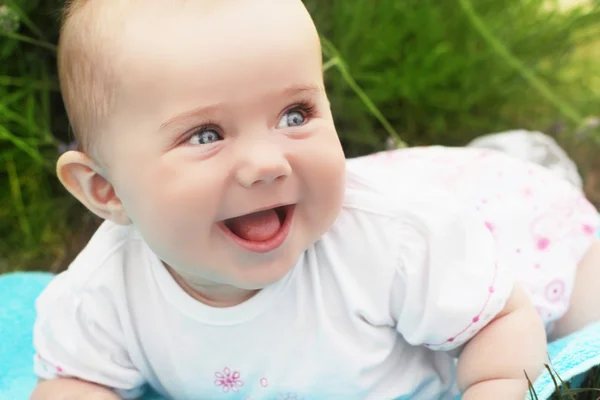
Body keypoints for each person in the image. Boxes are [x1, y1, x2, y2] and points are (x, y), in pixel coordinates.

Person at [30, 0, 600, 399]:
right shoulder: (102, 294)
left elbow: (499, 317)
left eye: (294, 114)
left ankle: (529, 163)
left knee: (583, 308)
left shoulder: (390, 240)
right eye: (206, 135)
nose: (267, 162)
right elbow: (76, 381)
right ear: (106, 191)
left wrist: (498, 385)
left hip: (499, 225)